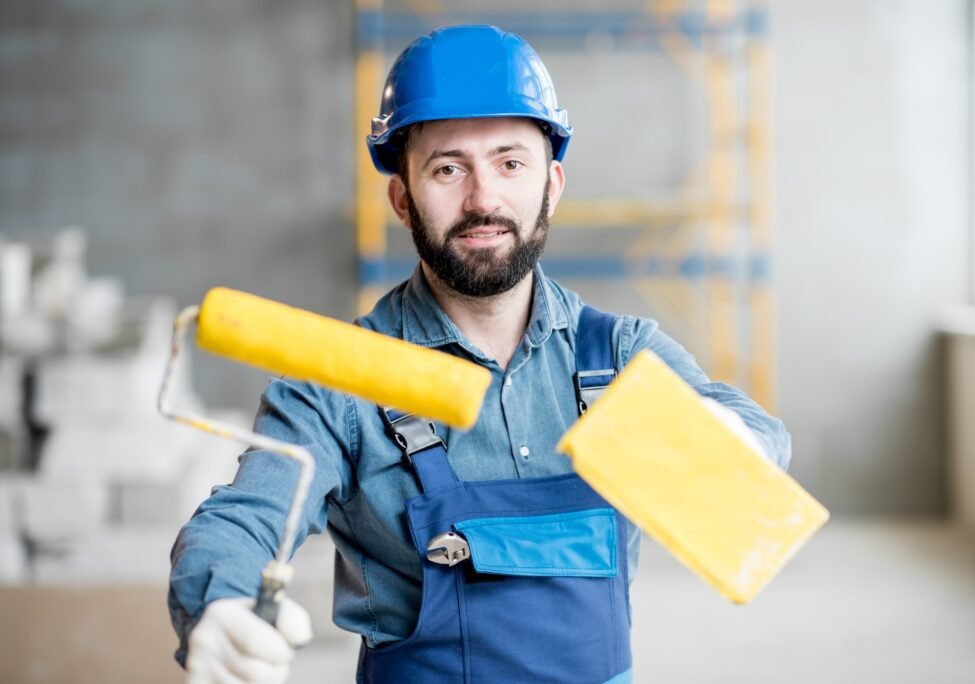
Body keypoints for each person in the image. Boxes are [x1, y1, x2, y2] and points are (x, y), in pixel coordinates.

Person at [170, 24, 791, 684]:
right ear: (403, 198)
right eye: (447, 169)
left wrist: (735, 440)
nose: (483, 199)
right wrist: (220, 601)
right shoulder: (338, 384)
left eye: (510, 162)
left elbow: (750, 430)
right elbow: (242, 518)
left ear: (551, 185)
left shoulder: (621, 355)